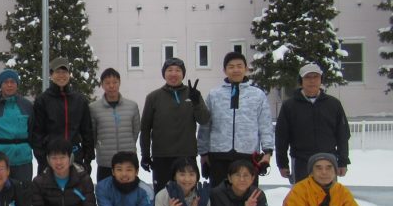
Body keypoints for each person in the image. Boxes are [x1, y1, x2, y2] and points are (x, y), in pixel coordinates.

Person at [198, 52, 274, 188]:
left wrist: (267, 152)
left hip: (248, 155)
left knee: (247, 195)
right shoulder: (214, 95)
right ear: (224, 70)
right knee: (219, 195)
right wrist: (203, 153)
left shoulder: (257, 95)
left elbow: (265, 125)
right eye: (231, 67)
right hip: (219, 155)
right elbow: (205, 126)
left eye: (239, 66)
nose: (236, 70)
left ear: (246, 69)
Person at [140, 57, 209, 193]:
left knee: (188, 195)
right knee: (162, 195)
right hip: (162, 156)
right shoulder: (153, 97)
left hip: (187, 154)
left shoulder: (193, 94)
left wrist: (196, 102)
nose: (173, 74)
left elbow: (204, 119)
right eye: (169, 70)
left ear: (183, 74)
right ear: (164, 74)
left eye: (178, 70)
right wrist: (145, 155)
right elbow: (145, 128)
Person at [275, 63, 351, 184]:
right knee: (302, 195)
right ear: (301, 81)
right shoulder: (289, 106)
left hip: (328, 161)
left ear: (321, 79)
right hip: (301, 161)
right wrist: (282, 163)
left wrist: (343, 161)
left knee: (328, 195)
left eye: (315, 77)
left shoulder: (333, 104)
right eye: (307, 77)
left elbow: (343, 135)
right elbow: (281, 137)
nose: (312, 81)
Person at [31, 57, 94, 177]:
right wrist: (42, 159)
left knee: (75, 188)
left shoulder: (79, 100)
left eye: (64, 72)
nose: (61, 75)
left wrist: (88, 159)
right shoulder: (42, 100)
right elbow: (37, 133)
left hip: (75, 156)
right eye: (57, 72)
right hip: (50, 158)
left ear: (69, 74)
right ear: (51, 74)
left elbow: (87, 131)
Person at [0, 69, 35, 183]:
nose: (9, 85)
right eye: (6, 82)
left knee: (24, 191)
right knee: (1, 191)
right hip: (0, 160)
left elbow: (32, 131)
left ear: (17, 84)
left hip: (23, 160)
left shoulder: (27, 105)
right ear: (0, 85)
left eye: (13, 82)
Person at [89, 68, 140, 183]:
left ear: (119, 83)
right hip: (106, 161)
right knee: (105, 191)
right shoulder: (94, 108)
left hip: (128, 161)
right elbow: (93, 133)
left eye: (115, 82)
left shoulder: (132, 106)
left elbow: (136, 131)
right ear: (102, 85)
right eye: (107, 83)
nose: (111, 86)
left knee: (129, 192)